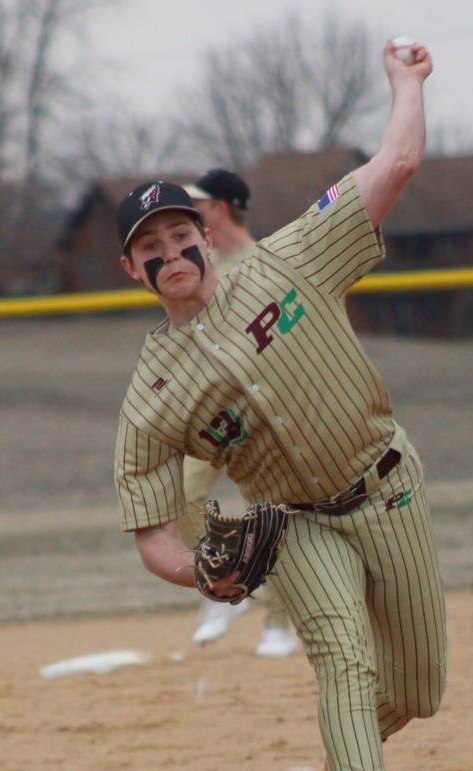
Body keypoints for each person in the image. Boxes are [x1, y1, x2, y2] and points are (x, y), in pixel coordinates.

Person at [113, 38, 446, 771]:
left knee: (415, 688)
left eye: (180, 231)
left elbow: (398, 160)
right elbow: (151, 531)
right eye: (151, 244)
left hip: (389, 484)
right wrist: (203, 577)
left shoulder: (292, 256)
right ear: (132, 267)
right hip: (296, 524)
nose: (171, 251)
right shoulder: (153, 394)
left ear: (205, 233)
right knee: (343, 657)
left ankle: (352, 751)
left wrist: (404, 83)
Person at [179, 169, 297, 658]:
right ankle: (228, 586)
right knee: (179, 494)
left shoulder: (269, 262)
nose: (188, 218)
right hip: (216, 412)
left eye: (197, 207)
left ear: (220, 209)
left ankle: (279, 623)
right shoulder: (199, 269)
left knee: (274, 513)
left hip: (269, 410)